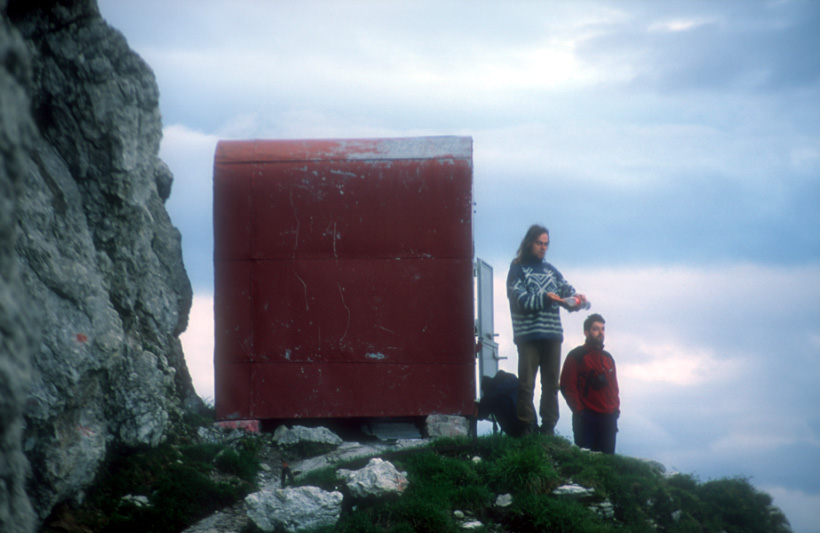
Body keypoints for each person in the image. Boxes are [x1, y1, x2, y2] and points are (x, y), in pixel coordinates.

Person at [507, 224, 587, 436]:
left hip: (552, 335)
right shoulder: (517, 270)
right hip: (528, 336)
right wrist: (545, 298)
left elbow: (567, 292)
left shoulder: (551, 271)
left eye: (546, 244)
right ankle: (526, 427)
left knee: (551, 385)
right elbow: (520, 300)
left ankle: (548, 428)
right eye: (539, 243)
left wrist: (577, 299)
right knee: (526, 384)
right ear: (529, 243)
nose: (543, 247)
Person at [560, 313, 620, 454]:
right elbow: (567, 386)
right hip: (587, 418)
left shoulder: (608, 358)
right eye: (596, 329)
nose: (601, 332)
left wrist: (615, 410)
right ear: (586, 332)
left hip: (608, 418)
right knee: (585, 461)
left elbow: (614, 387)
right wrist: (580, 412)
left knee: (607, 462)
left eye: (603, 329)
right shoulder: (576, 356)